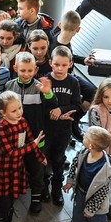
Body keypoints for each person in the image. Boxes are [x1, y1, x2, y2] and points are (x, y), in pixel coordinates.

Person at [0, 91, 47, 222]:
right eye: (14, 111)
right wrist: (33, 144)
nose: (19, 112)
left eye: (20, 108)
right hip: (3, 170)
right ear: (3, 112)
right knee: (3, 203)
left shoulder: (22, 122)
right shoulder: (1, 126)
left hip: (17, 169)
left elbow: (29, 140)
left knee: (12, 201)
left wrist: (40, 156)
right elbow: (11, 152)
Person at [5, 52, 56, 214]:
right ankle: (13, 194)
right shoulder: (9, 86)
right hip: (15, 139)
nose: (26, 74)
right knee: (15, 168)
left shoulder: (40, 87)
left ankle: (36, 197)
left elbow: (52, 107)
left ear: (35, 70)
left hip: (35, 137)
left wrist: (48, 93)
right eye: (22, 70)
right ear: (15, 69)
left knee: (36, 169)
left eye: (29, 70)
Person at [45, 46, 81, 206]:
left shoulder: (73, 82)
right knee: (44, 159)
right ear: (50, 63)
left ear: (70, 64)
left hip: (64, 130)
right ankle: (44, 187)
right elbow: (40, 104)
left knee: (59, 158)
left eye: (64, 65)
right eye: (57, 64)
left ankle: (57, 188)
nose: (60, 68)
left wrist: (62, 110)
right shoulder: (45, 80)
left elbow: (77, 105)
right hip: (46, 129)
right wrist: (52, 111)